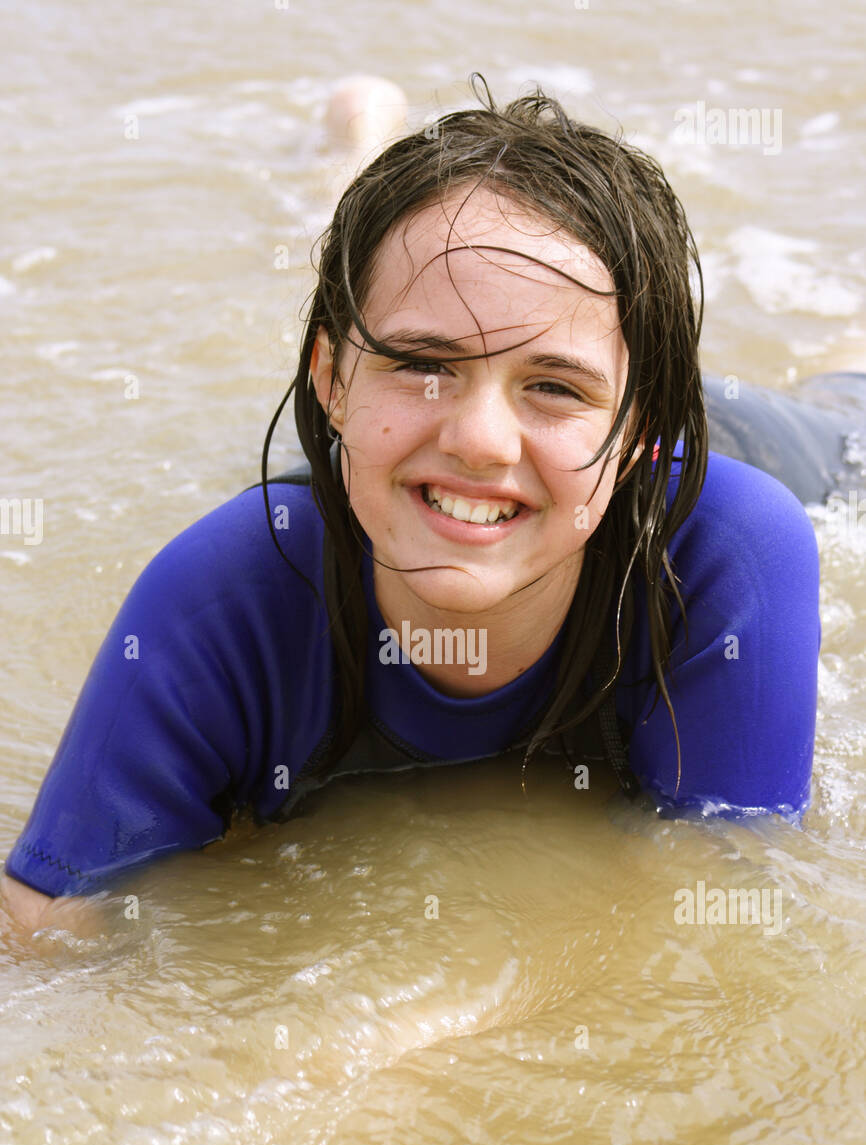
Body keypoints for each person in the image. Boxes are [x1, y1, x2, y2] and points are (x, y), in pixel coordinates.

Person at [3, 74, 861, 934]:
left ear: (645, 432)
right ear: (329, 381)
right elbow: (51, 932)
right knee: (405, 280)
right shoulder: (221, 596)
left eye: (551, 383)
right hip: (422, 455)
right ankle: (362, 159)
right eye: (425, 362)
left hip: (686, 445)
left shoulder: (732, 550)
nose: (480, 438)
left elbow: (724, 912)